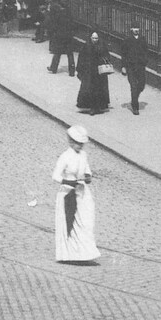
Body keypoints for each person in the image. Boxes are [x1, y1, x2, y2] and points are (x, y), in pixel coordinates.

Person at [51, 125, 99, 264]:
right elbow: (55, 176)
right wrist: (67, 182)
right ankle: (70, 254)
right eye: (78, 143)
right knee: (70, 222)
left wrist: (88, 176)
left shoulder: (83, 155)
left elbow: (87, 170)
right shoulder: (65, 156)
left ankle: (84, 253)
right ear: (71, 142)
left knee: (85, 222)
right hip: (68, 194)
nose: (80, 146)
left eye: (82, 144)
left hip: (82, 193)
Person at [76, 30, 113, 115]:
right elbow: (81, 58)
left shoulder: (102, 46)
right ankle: (92, 107)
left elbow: (107, 56)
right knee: (90, 90)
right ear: (90, 38)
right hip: (89, 72)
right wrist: (80, 70)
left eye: (96, 38)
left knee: (98, 90)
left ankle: (97, 107)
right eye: (93, 38)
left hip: (99, 72)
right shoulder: (86, 46)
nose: (95, 40)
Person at [120, 23, 149, 115]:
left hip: (140, 66)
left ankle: (135, 97)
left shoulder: (142, 39)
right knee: (133, 86)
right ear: (131, 29)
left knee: (141, 85)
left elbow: (146, 51)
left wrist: (145, 61)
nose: (136, 30)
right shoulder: (127, 40)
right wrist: (123, 66)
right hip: (131, 67)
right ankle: (135, 107)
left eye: (138, 28)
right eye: (134, 28)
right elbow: (123, 54)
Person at [47, 2, 77, 76]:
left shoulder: (58, 15)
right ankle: (72, 71)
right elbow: (73, 25)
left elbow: (54, 26)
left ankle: (53, 68)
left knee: (57, 53)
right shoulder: (69, 15)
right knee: (70, 54)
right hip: (68, 37)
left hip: (60, 36)